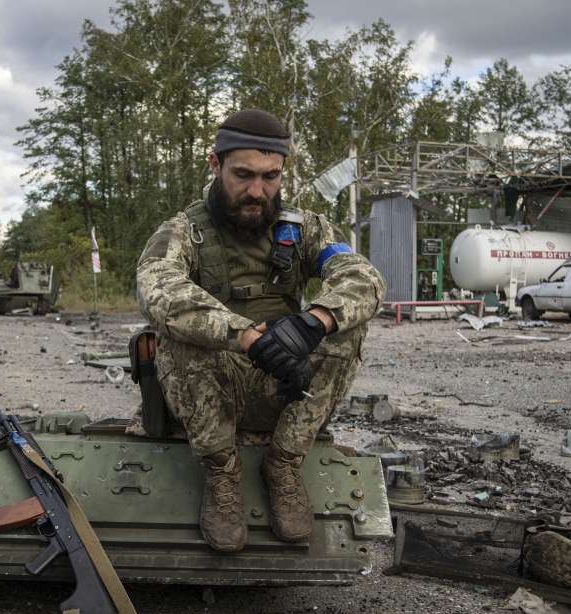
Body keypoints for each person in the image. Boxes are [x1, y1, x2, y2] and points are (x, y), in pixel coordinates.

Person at [135, 108, 386, 552]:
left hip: (285, 390)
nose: (257, 191)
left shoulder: (304, 229)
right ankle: (222, 472)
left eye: (270, 177)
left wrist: (315, 322)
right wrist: (247, 338)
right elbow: (159, 289)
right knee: (179, 329)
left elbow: (362, 277)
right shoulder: (183, 232)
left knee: (348, 324)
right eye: (243, 175)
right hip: (211, 391)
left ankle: (285, 463)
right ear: (215, 165)